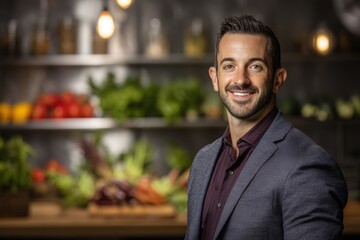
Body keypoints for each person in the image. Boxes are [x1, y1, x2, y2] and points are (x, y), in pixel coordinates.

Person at [185, 15, 348, 240]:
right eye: (229, 65)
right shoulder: (203, 162)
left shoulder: (308, 167)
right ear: (215, 78)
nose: (240, 79)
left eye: (255, 66)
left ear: (278, 80)